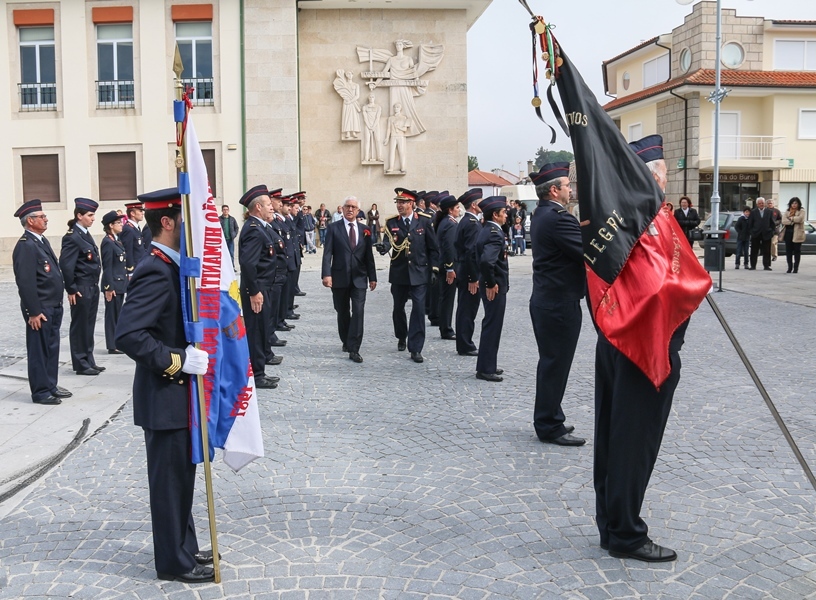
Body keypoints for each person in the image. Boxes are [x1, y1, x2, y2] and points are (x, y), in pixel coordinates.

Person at [114, 187, 214, 584]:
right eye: (184, 219)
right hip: (164, 394)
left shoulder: (173, 265)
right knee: (169, 484)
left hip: (177, 396)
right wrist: (178, 360)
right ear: (168, 222)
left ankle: (184, 548)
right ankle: (173, 562)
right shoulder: (155, 268)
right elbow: (129, 334)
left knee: (180, 478)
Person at [594, 135, 685, 563]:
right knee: (632, 442)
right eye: (664, 173)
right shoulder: (647, 221)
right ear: (652, 177)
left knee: (613, 439)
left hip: (618, 341)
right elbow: (655, 290)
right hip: (644, 348)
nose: (667, 179)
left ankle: (610, 525)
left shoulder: (619, 217)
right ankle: (626, 534)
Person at [527, 162, 586, 445]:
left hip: (547, 300)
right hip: (559, 303)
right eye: (566, 185)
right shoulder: (559, 218)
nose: (570, 189)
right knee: (555, 364)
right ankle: (549, 425)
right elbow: (586, 253)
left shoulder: (543, 214)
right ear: (554, 190)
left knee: (552, 362)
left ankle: (551, 414)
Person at [12, 199, 71, 405]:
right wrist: (33, 311)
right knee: (39, 349)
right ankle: (40, 391)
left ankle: (50, 385)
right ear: (30, 221)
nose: (46, 219)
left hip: (52, 304)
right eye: (41, 216)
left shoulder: (40, 241)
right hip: (41, 308)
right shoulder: (26, 245)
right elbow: (25, 282)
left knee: (52, 347)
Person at [378, 188, 439, 363]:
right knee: (398, 308)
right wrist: (383, 248)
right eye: (397, 202)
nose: (399, 206)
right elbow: (388, 242)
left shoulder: (424, 222)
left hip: (419, 272)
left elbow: (433, 248)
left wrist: (434, 270)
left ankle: (416, 347)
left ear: (411, 203)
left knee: (419, 310)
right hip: (399, 273)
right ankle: (401, 335)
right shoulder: (391, 223)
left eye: (403, 202)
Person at [322, 196, 377, 363]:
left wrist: (372, 277)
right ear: (343, 209)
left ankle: (354, 348)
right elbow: (327, 253)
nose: (350, 209)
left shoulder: (365, 229)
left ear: (358, 211)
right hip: (339, 277)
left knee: (359, 312)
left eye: (353, 207)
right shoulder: (333, 228)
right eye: (347, 206)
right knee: (343, 311)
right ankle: (346, 339)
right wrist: (326, 274)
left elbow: (369, 256)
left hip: (359, 278)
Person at [237, 185, 280, 390]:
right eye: (268, 205)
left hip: (264, 287)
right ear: (257, 208)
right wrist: (254, 292)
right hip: (257, 289)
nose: (272, 208)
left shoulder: (261, 226)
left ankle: (260, 370)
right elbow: (248, 264)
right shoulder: (254, 230)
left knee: (262, 330)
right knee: (256, 332)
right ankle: (257, 374)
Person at [59, 198, 103, 376]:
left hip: (92, 286)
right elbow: (66, 265)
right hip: (81, 287)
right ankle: (80, 362)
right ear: (79, 215)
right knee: (80, 326)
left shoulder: (84, 233)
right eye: (90, 215)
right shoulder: (72, 237)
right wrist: (71, 288)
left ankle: (89, 359)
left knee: (89, 325)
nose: (93, 219)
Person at [474, 196, 509, 382]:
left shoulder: (486, 229)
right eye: (503, 213)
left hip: (491, 284)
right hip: (494, 287)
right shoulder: (494, 233)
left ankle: (489, 364)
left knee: (492, 325)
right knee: (492, 326)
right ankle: (486, 369)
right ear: (495, 215)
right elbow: (487, 261)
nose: (506, 216)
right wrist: (490, 283)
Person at [454, 189, 483, 357]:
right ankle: (465, 344)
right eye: (480, 202)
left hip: (464, 271)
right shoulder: (471, 223)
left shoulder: (466, 221)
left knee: (465, 308)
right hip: (468, 274)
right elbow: (471, 252)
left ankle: (464, 342)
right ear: (473, 205)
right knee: (468, 310)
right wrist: (473, 278)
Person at [100, 211, 127, 354]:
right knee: (112, 315)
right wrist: (108, 287)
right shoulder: (108, 242)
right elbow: (107, 266)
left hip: (120, 283)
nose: (121, 224)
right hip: (113, 285)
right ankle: (112, 345)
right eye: (118, 222)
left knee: (117, 314)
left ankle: (116, 342)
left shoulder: (116, 240)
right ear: (111, 225)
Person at [434, 194, 459, 341]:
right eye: (456, 208)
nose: (458, 210)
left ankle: (445, 327)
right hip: (447, 266)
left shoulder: (445, 221)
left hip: (443, 265)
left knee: (445, 298)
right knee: (447, 299)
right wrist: (450, 268)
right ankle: (446, 329)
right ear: (450, 210)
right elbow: (449, 248)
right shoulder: (450, 223)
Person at [121, 201, 147, 275]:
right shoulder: (128, 229)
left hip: (140, 266)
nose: (142, 213)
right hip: (134, 268)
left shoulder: (135, 228)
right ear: (132, 213)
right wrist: (130, 271)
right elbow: (128, 251)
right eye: (140, 211)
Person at [748, 197, 774, 271]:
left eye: (762, 203)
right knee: (754, 250)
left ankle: (766, 265)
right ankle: (753, 265)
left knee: (767, 250)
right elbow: (750, 223)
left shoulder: (769, 212)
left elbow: (772, 223)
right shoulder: (753, 212)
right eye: (760, 203)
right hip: (756, 234)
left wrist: (771, 231)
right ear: (757, 204)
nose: (761, 204)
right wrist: (752, 232)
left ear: (764, 204)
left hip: (766, 233)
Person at [782, 197, 806, 274]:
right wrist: (793, 220)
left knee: (797, 251)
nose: (794, 205)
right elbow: (784, 221)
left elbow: (800, 219)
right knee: (788, 251)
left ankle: (796, 268)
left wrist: (791, 219)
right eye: (792, 203)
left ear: (798, 204)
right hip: (788, 233)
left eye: (795, 203)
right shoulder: (787, 211)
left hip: (797, 233)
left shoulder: (801, 211)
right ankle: (789, 267)